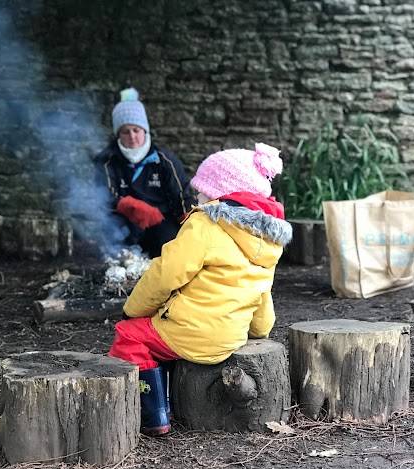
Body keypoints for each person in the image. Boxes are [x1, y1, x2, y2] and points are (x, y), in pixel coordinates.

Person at [109, 142, 293, 436]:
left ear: (219, 193)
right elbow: (262, 292)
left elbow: (165, 274)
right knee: (162, 333)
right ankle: (167, 399)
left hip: (192, 333)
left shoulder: (205, 225)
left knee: (130, 335)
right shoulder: (266, 239)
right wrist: (259, 331)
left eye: (201, 190)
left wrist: (133, 309)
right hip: (230, 336)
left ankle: (154, 414)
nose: (196, 196)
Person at [94, 88, 195, 257]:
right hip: (124, 221)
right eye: (125, 131)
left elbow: (181, 198)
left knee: (170, 246)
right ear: (118, 134)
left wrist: (189, 224)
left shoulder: (164, 160)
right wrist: (126, 205)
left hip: (160, 220)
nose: (132, 137)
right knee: (115, 241)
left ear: (145, 130)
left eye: (136, 130)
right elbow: (103, 199)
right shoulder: (106, 161)